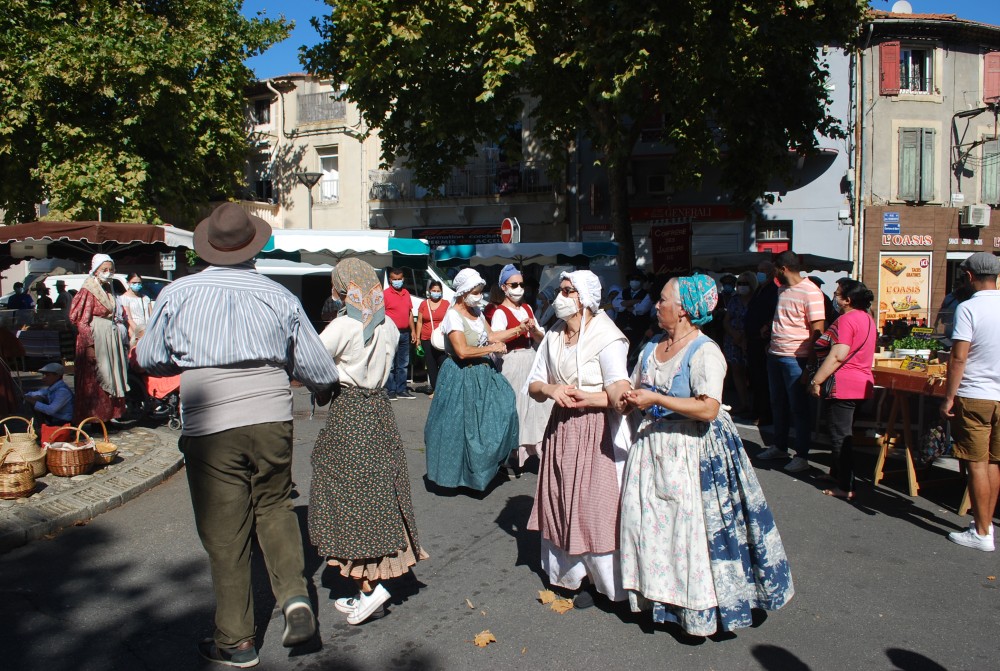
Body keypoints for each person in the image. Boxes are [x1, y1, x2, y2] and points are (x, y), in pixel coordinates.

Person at [137, 202, 340, 666]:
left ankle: (237, 641)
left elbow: (150, 358)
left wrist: (190, 359)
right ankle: (294, 597)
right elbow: (318, 368)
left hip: (209, 422)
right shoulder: (279, 295)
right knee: (274, 505)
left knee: (226, 535)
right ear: (253, 246)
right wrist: (323, 391)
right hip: (271, 415)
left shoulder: (178, 293)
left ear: (209, 247)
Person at [618, 274, 794, 636]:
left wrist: (657, 399)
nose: (657, 305)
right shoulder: (652, 346)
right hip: (651, 449)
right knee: (651, 527)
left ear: (683, 310)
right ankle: (659, 600)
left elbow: (708, 408)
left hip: (690, 449)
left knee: (689, 532)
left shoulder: (705, 351)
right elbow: (635, 387)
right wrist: (628, 399)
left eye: (664, 300)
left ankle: (695, 610)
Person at [310, 259, 428, 625]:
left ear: (344, 287)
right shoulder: (389, 325)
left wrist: (323, 384)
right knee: (378, 492)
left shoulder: (343, 325)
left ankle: (368, 587)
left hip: (350, 413)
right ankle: (366, 579)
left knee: (351, 496)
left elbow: (312, 362)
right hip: (379, 411)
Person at [526, 270, 632, 608]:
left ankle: (608, 583)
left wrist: (587, 397)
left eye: (568, 291)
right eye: (560, 290)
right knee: (561, 500)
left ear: (585, 298)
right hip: (562, 428)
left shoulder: (607, 337)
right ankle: (571, 577)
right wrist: (552, 389)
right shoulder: (555, 334)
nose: (561, 296)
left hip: (597, 429)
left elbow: (619, 394)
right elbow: (534, 384)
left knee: (593, 506)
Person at [424, 268, 520, 491]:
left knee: (501, 409)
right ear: (464, 292)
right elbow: (462, 351)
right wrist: (491, 348)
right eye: (475, 291)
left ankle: (483, 468)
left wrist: (517, 331)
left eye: (480, 291)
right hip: (459, 374)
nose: (479, 295)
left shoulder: (476, 312)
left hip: (482, 373)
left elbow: (492, 336)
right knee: (458, 426)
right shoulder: (452, 316)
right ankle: (457, 476)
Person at [940, 252, 1000, 552]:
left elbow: (959, 356)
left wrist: (949, 397)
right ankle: (984, 528)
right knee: (992, 463)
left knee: (977, 464)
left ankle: (982, 531)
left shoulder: (968, 308)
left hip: (976, 392)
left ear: (970, 276)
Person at [756, 251, 826, 473]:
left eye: (775, 268)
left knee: (799, 408)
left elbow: (818, 330)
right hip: (776, 354)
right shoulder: (782, 289)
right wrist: (770, 328)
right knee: (778, 403)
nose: (773, 273)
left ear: (783, 268)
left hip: (797, 358)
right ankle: (779, 446)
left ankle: (802, 455)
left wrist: (810, 366)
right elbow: (784, 316)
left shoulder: (811, 292)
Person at [808, 279, 877, 501]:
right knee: (842, 433)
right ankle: (837, 474)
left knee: (840, 437)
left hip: (844, 384)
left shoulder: (846, 320)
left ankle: (846, 485)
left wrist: (816, 380)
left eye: (837, 294)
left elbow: (838, 355)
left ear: (848, 300)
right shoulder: (867, 318)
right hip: (861, 383)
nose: (834, 298)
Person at [490, 264, 550, 467]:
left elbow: (541, 337)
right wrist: (518, 329)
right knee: (514, 407)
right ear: (504, 287)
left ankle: (535, 448)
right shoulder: (500, 312)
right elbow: (495, 337)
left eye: (521, 284)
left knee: (536, 407)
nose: (518, 288)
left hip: (530, 358)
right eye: (513, 284)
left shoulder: (527, 308)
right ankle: (510, 453)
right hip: (512, 362)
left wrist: (533, 330)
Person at [68, 254, 129, 423]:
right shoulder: (89, 290)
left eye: (111, 270)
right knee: (95, 378)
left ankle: (109, 416)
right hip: (96, 339)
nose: (108, 273)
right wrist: (89, 346)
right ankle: (95, 418)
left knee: (111, 375)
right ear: (96, 271)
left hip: (108, 337)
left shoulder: (108, 289)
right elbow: (81, 320)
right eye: (104, 270)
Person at [742, 260, 778, 425]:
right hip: (752, 339)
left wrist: (767, 327)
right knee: (755, 378)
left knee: (763, 379)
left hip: (763, 340)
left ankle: (765, 414)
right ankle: (756, 409)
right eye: (759, 270)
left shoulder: (773, 291)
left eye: (763, 270)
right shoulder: (759, 290)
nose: (760, 273)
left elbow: (774, 313)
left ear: (771, 272)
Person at [722, 271, 758, 415]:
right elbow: (726, 320)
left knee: (754, 373)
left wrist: (744, 336)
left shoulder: (756, 299)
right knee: (737, 371)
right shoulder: (734, 300)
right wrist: (734, 334)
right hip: (733, 339)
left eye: (745, 284)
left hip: (751, 339)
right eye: (740, 283)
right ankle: (744, 403)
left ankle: (756, 405)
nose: (742, 286)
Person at [383, 267, 415, 400]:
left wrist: (413, 330)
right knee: (390, 363)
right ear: (390, 280)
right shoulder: (385, 294)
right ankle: (391, 390)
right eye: (394, 279)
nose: (397, 281)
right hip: (390, 333)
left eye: (399, 279)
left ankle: (401, 389)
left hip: (404, 333)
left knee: (403, 363)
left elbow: (409, 313)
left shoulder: (406, 293)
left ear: (403, 279)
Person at [415, 280, 450, 398]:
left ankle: (445, 388)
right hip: (426, 339)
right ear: (429, 291)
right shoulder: (424, 304)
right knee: (431, 365)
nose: (436, 293)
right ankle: (436, 389)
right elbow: (419, 321)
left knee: (444, 363)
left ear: (441, 292)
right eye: (433, 291)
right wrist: (418, 338)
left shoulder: (446, 304)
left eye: (438, 291)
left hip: (441, 339)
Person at [24, 362, 74, 430]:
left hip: (65, 422)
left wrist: (32, 401)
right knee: (37, 398)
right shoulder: (52, 388)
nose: (43, 378)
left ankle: (43, 429)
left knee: (36, 401)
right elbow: (39, 392)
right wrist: (26, 396)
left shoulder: (62, 391)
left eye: (47, 375)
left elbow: (50, 410)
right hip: (55, 419)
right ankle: (42, 428)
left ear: (57, 376)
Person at [120, 272, 152, 346]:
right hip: (135, 332)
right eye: (134, 282)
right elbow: (129, 319)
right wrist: (139, 333)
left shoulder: (145, 298)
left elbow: (151, 315)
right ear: (128, 283)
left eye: (139, 283)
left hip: (148, 331)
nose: (137, 284)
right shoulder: (124, 298)